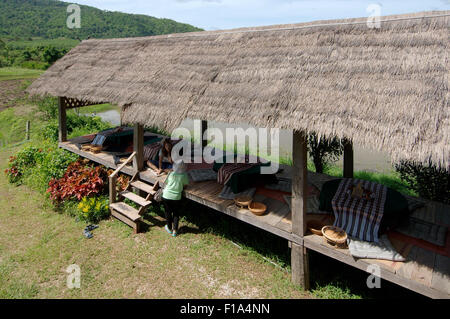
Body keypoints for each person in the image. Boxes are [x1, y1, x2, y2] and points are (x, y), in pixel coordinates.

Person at [162, 159, 189, 237]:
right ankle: (175, 231)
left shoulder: (171, 173)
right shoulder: (184, 175)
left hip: (166, 195)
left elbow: (167, 183)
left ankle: (169, 228)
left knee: (167, 212)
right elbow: (185, 185)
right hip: (176, 197)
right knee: (176, 213)